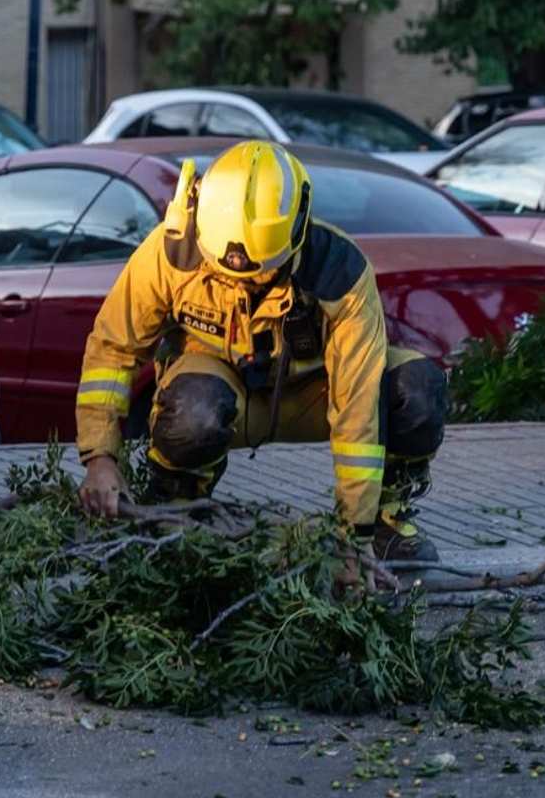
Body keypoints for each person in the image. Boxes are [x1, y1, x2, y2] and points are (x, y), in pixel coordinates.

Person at [73, 140, 447, 562]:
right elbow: (112, 350)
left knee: (415, 387)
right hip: (219, 398)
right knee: (195, 408)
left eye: (263, 273)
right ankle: (179, 505)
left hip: (314, 398)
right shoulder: (171, 254)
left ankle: (386, 521)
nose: (247, 283)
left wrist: (352, 541)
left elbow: (358, 410)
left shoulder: (339, 273)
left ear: (297, 228)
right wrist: (100, 458)